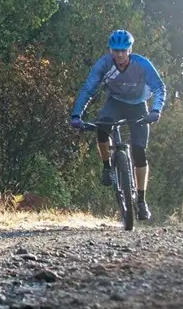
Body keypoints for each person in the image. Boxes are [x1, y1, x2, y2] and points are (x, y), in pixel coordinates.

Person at [70, 29, 167, 221]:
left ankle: (141, 201)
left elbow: (159, 87)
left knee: (139, 151)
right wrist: (76, 114)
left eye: (123, 50)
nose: (120, 54)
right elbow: (88, 89)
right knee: (102, 125)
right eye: (116, 50)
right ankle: (107, 166)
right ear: (110, 50)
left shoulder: (142, 64)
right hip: (114, 103)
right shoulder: (104, 64)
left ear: (130, 49)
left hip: (138, 105)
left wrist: (156, 110)